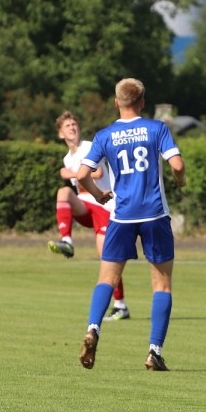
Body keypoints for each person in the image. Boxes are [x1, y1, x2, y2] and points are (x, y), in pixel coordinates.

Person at [75, 78, 186, 371]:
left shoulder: (105, 135)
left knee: (106, 280)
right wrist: (179, 182)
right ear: (143, 102)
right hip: (154, 215)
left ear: (116, 103)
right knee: (161, 284)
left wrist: (99, 195)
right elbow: (177, 165)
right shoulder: (156, 128)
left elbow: (82, 174)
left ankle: (93, 328)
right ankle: (154, 351)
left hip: (121, 216)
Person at [47, 111, 129, 320]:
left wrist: (71, 174)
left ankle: (120, 306)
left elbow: (98, 174)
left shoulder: (89, 147)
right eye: (67, 126)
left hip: (105, 205)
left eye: (74, 124)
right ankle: (67, 240)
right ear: (60, 134)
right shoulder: (68, 158)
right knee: (64, 192)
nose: (72, 127)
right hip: (86, 204)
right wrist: (70, 175)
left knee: (106, 256)